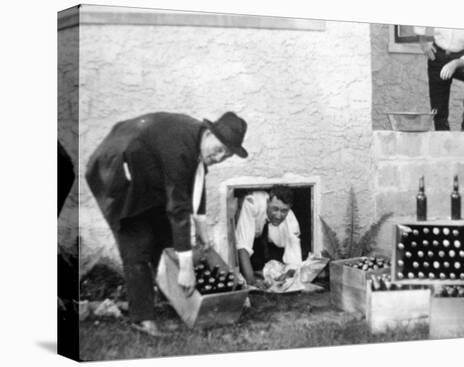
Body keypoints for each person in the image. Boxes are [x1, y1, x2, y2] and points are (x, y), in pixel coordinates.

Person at [85, 111, 248, 336]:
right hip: (114, 169)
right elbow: (178, 207)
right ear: (209, 134)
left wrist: (201, 225)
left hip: (145, 173)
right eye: (219, 149)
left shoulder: (196, 143)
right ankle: (142, 318)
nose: (220, 157)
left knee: (165, 237)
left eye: (227, 155)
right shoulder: (181, 147)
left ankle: (170, 297)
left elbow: (196, 181)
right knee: (136, 238)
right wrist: (187, 267)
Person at [415, 27, 464, 134]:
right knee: (439, 112)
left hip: (461, 58)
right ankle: (442, 136)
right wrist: (422, 41)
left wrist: (455, 63)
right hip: (437, 56)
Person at [235, 185, 302, 288]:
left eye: (284, 211)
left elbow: (295, 260)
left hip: (270, 245)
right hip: (250, 236)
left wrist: (288, 274)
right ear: (267, 202)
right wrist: (252, 282)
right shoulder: (252, 203)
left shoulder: (291, 221)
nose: (279, 215)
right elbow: (243, 245)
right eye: (275, 209)